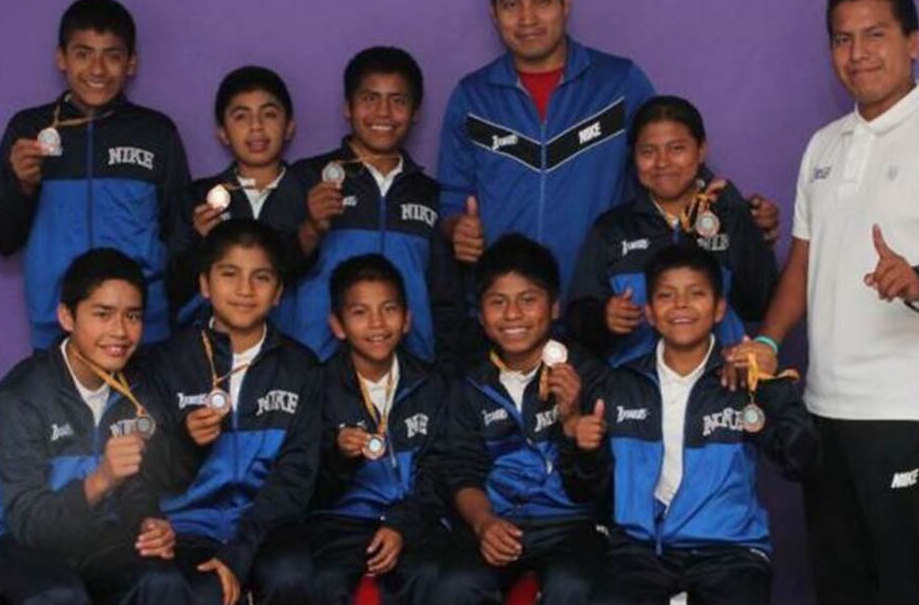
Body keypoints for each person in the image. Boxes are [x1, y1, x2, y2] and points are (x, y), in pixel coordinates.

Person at [756, 0, 919, 605]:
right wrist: (767, 338)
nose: (858, 53)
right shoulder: (824, 146)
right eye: (843, 39)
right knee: (840, 586)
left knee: (904, 589)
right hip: (826, 407)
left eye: (875, 35)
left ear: (913, 42)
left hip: (910, 410)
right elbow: (804, 264)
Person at [438, 0, 779, 294]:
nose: (527, 19)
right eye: (511, 4)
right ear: (494, 13)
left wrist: (744, 221)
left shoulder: (620, 83)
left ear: (565, 3)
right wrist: (456, 229)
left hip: (608, 306)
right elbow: (452, 199)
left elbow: (669, 171)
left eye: (542, 0)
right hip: (507, 313)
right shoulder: (471, 97)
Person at [559, 244, 815, 605]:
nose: (680, 305)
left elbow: (798, 458)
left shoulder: (743, 382)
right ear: (649, 312)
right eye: (666, 295)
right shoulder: (621, 385)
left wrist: (769, 385)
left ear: (719, 309)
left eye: (696, 294)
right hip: (640, 552)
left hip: (730, 553)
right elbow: (584, 491)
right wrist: (583, 450)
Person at [0, 248, 188, 604]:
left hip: (102, 533)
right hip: (18, 540)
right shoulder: (21, 397)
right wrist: (102, 480)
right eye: (103, 314)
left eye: (133, 316)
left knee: (163, 581)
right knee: (61, 596)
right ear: (66, 317)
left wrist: (150, 523)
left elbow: (142, 487)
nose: (120, 331)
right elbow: (28, 522)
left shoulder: (140, 389)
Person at [0, 0, 192, 349]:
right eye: (83, 54)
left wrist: (168, 313)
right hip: (57, 328)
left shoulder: (156, 133)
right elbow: (1, 239)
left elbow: (181, 235)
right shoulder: (29, 131)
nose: (97, 70)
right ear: (61, 58)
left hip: (142, 333)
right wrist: (22, 186)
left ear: (131, 63)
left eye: (112, 55)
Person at [149, 219, 321, 605]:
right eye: (230, 275)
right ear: (205, 285)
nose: (245, 290)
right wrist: (186, 442)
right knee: (195, 590)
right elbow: (150, 472)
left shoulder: (301, 367)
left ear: (278, 292)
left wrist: (238, 553)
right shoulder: (165, 362)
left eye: (261, 277)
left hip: (268, 527)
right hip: (186, 526)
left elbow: (296, 476)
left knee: (292, 575)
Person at [436, 234, 605, 604]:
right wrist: (484, 524)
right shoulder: (470, 382)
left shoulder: (585, 374)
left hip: (571, 524)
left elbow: (600, 485)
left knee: (573, 586)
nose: (512, 314)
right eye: (498, 302)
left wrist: (573, 418)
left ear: (554, 307)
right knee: (453, 586)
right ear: (481, 315)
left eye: (528, 300)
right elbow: (460, 469)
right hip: (496, 519)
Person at [289, 46, 467, 373]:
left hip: (412, 377)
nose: (383, 113)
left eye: (398, 100)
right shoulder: (307, 178)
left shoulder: (430, 194)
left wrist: (445, 373)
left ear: (415, 112)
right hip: (317, 369)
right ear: (348, 106)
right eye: (370, 98)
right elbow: (274, 270)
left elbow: (446, 300)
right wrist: (311, 229)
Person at [567, 95, 777, 364]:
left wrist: (737, 217)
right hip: (634, 394)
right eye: (648, 152)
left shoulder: (730, 213)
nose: (662, 162)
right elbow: (577, 322)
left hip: (720, 390)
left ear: (701, 150)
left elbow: (759, 305)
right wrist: (604, 318)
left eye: (677, 148)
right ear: (633, 157)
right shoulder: (612, 229)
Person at [307, 254, 448, 604]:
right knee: (320, 580)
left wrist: (402, 523)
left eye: (388, 309)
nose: (377, 324)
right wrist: (338, 456)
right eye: (359, 312)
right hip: (341, 523)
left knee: (433, 575)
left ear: (407, 320)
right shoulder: (318, 387)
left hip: (415, 519)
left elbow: (440, 470)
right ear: (337, 325)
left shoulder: (432, 384)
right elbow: (307, 484)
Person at [177, 65, 312, 323]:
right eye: (241, 116)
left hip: (296, 346)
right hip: (215, 348)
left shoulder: (312, 198)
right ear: (223, 133)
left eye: (269, 114)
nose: (256, 127)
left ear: (290, 127)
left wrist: (312, 228)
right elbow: (175, 286)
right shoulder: (198, 198)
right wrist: (200, 241)